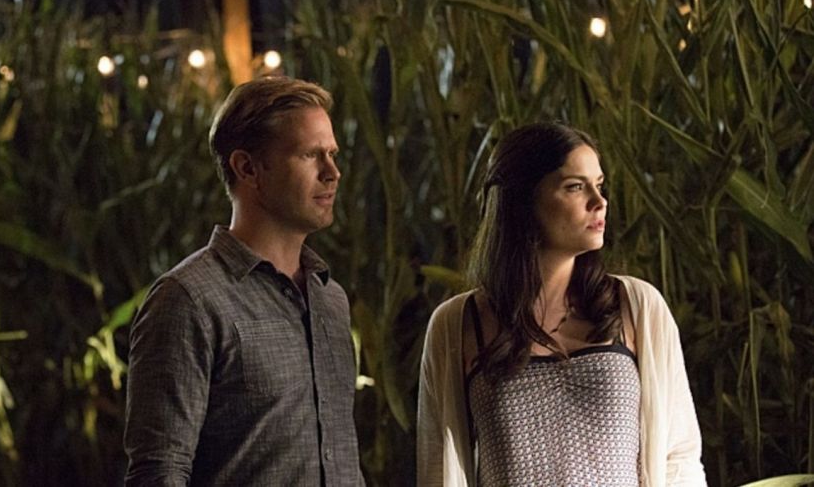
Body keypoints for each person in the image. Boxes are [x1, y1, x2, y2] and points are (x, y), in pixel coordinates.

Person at [417, 122, 706, 486]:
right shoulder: (458, 323)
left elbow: (679, 459)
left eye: (599, 185)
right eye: (575, 187)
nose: (599, 202)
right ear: (522, 201)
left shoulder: (637, 307)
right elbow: (436, 468)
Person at [124, 76, 364, 486]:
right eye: (310, 155)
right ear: (247, 167)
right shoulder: (189, 300)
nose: (333, 172)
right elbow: (159, 470)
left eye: (333, 154)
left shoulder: (330, 298)